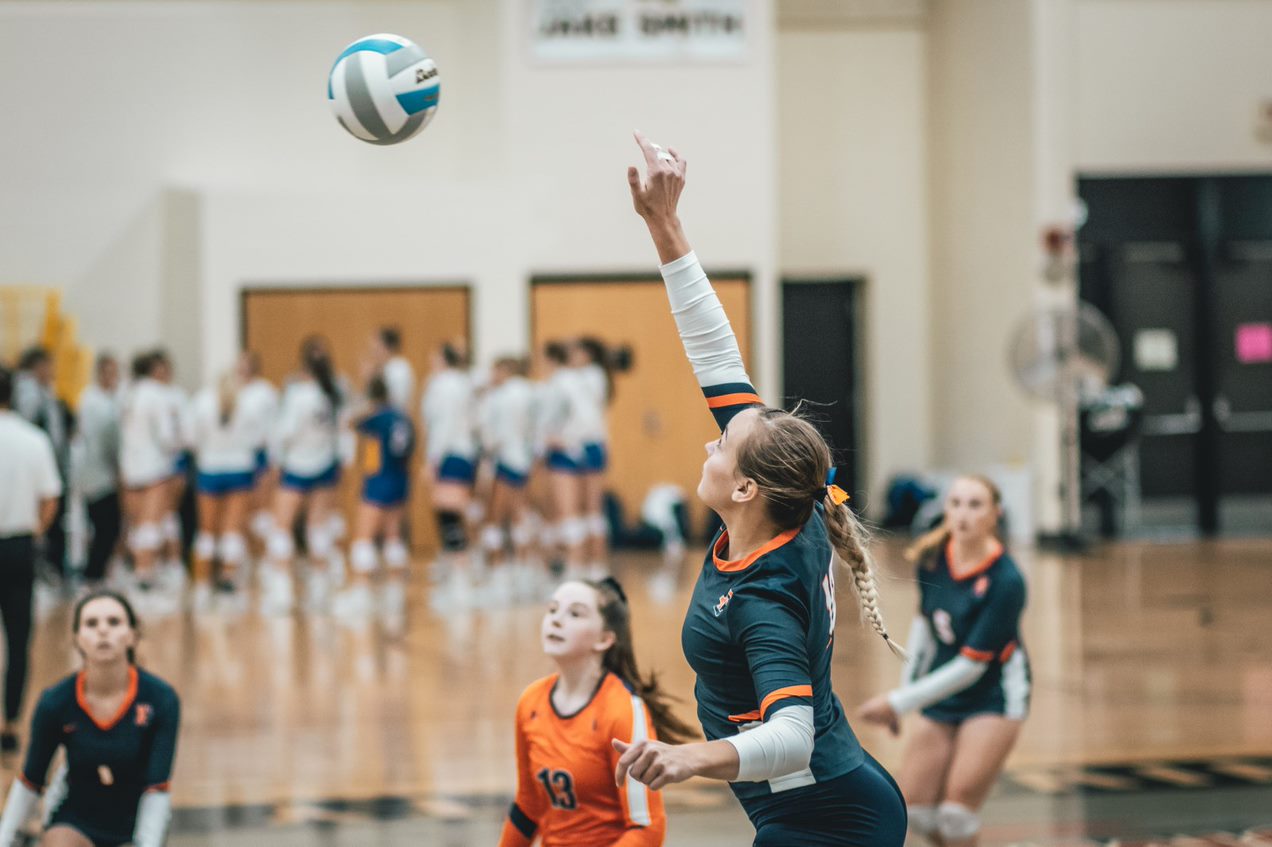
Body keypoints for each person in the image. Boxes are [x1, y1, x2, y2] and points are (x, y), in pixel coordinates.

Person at [610, 132, 907, 846]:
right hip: (830, 801)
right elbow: (715, 352)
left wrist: (690, 757)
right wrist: (664, 224)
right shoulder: (791, 508)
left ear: (744, 488)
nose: (709, 442)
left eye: (722, 443)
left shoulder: (764, 595)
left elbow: (792, 736)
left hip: (827, 820)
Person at [856, 475, 1030, 847]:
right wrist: (906, 694)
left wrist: (899, 702)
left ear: (995, 514)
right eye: (956, 503)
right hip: (943, 691)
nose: (963, 514)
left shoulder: (1007, 580)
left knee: (956, 816)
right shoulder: (933, 558)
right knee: (916, 813)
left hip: (994, 697)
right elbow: (924, 631)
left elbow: (972, 666)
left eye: (975, 505)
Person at [499, 578, 692, 847]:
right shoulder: (531, 701)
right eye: (552, 609)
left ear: (605, 639)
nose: (556, 620)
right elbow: (528, 807)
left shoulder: (622, 709)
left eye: (575, 614)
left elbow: (647, 828)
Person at [0, 590, 179, 847]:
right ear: (77, 638)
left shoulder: (161, 699)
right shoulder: (55, 701)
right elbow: (30, 782)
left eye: (114, 622)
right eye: (91, 623)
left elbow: (157, 790)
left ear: (132, 635)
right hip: (75, 822)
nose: (103, 631)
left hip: (134, 823)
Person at [0, 365, 62, 757]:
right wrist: (35, 531)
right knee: (18, 637)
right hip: (18, 546)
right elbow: (50, 497)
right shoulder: (33, 439)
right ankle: (10, 722)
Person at [261, 337, 345, 614]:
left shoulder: (298, 394)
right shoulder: (333, 392)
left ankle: (282, 594)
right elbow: (342, 431)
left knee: (281, 526)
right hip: (325, 464)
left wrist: (275, 461)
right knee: (318, 527)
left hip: (297, 465)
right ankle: (320, 593)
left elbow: (285, 432)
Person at [335, 374, 415, 623]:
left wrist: (362, 406)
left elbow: (349, 422)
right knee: (393, 535)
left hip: (379, 478)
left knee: (363, 536)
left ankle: (360, 594)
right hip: (400, 478)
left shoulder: (378, 417)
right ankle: (395, 595)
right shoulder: (402, 417)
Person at [189, 369, 259, 611]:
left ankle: (202, 585)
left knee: (207, 530)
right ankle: (228, 581)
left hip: (210, 467)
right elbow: (258, 440)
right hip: (239, 468)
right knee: (231, 530)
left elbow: (191, 439)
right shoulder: (248, 402)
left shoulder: (202, 401)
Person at [420, 341, 478, 607]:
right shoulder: (466, 383)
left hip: (449, 452)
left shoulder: (442, 384)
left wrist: (433, 460)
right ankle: (459, 575)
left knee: (448, 514)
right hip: (465, 453)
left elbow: (442, 424)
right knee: (455, 512)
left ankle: (460, 582)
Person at [118, 353, 181, 600]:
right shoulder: (158, 394)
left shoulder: (127, 393)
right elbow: (167, 436)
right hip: (154, 466)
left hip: (129, 466)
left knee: (136, 524)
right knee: (151, 523)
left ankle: (139, 573)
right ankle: (146, 574)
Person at [478, 356, 539, 603]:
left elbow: (490, 434)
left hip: (504, 459)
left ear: (504, 370)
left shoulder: (500, 396)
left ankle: (499, 572)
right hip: (525, 459)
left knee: (494, 517)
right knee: (519, 514)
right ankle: (524, 570)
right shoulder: (531, 392)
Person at [14, 347, 69, 580]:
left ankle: (46, 569)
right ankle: (41, 570)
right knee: (44, 517)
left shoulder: (44, 392)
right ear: (37, 366)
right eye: (49, 366)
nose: (53, 371)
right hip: (38, 465)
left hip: (48, 462)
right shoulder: (28, 392)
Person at [73, 354, 122, 587]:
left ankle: (97, 571)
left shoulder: (104, 399)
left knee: (104, 527)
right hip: (97, 474)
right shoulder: (96, 403)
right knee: (106, 526)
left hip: (98, 472)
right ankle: (93, 574)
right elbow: (107, 442)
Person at [569, 338, 614, 579]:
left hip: (591, 443)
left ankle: (597, 564)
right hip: (580, 444)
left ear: (588, 354)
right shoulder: (585, 377)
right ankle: (582, 562)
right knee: (579, 508)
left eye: (576, 352)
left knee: (592, 509)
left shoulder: (593, 375)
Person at [235, 352, 280, 552]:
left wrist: (275, 460)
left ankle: (265, 553)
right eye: (240, 365)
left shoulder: (266, 392)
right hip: (236, 456)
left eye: (247, 365)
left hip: (260, 455)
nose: (243, 369)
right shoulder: (232, 391)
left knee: (262, 511)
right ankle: (246, 554)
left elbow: (274, 428)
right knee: (241, 510)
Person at [372, 326, 415, 413]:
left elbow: (397, 401)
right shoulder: (385, 367)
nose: (374, 348)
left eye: (377, 344)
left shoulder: (399, 369)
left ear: (388, 346)